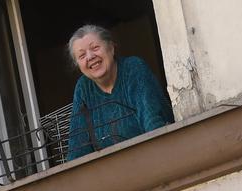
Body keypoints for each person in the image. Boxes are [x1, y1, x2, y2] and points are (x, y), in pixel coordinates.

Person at [66, 25, 174, 161]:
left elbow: (153, 122)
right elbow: (77, 148)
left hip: (153, 156)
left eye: (95, 48)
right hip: (114, 168)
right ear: (78, 65)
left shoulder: (133, 68)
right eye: (82, 56)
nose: (90, 56)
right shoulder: (83, 87)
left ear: (111, 48)